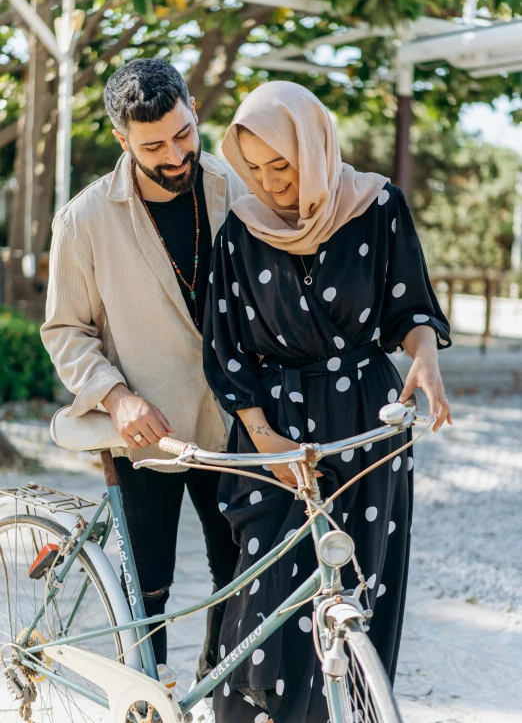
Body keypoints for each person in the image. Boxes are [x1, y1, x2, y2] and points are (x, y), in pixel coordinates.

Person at [203, 81, 452, 723]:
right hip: (274, 431)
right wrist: (267, 443)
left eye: (280, 165)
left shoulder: (378, 207)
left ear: (312, 146)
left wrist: (423, 356)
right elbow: (227, 352)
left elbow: (411, 307)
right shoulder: (239, 232)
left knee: (356, 602)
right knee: (266, 608)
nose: (268, 183)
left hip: (366, 425)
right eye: (252, 168)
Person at [41, 59, 247, 702]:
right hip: (147, 430)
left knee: (241, 571)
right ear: (122, 139)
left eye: (183, 134)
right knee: (148, 584)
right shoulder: (84, 219)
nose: (175, 153)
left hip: (237, 424)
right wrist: (116, 395)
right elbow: (65, 332)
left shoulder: (235, 188)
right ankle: (146, 705)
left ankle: (226, 697)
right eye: (153, 145)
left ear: (191, 108)